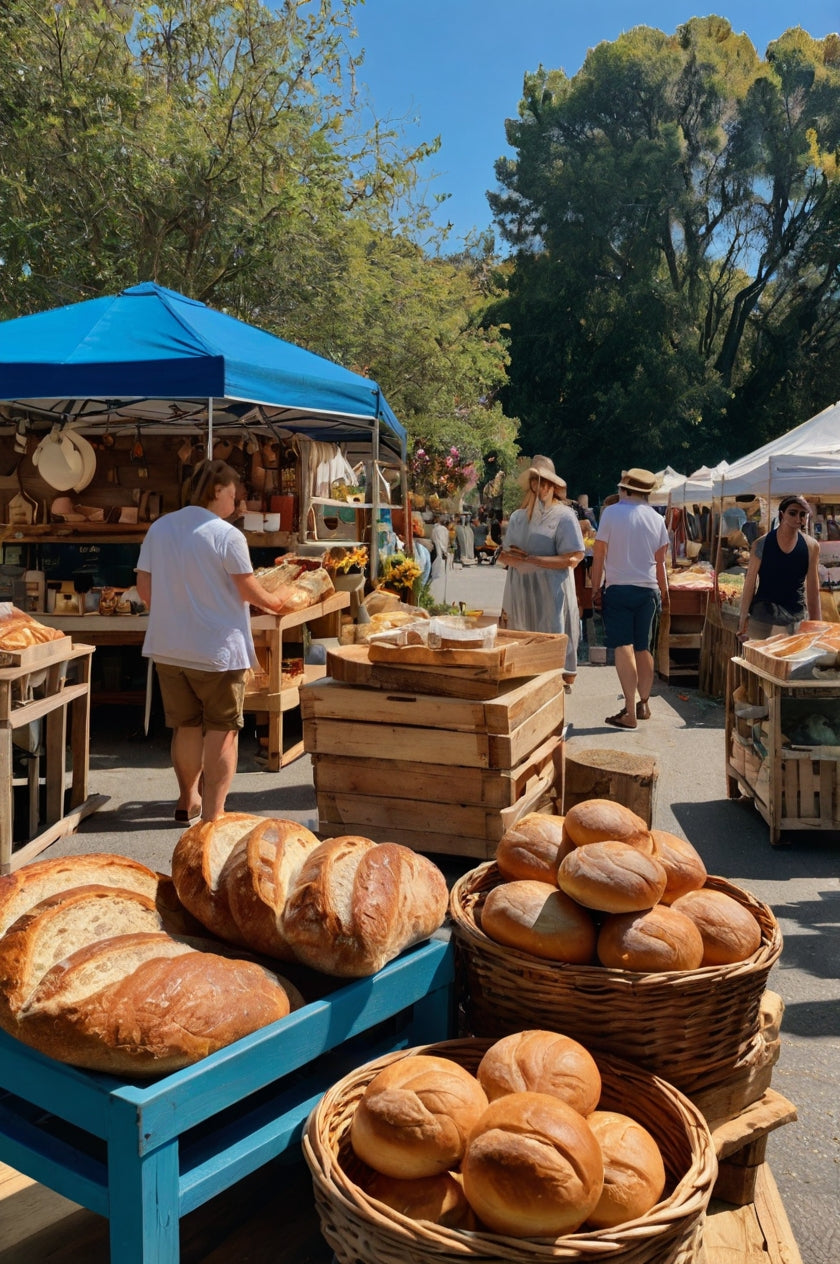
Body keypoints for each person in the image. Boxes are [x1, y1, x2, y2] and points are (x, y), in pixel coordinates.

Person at [135, 459, 295, 824]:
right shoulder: (226, 535)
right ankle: (213, 815)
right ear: (217, 490)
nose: (237, 503)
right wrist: (277, 600)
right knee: (222, 732)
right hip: (217, 651)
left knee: (186, 727)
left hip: (168, 647)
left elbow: (145, 590)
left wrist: (178, 611)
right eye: (234, 494)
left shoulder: (160, 528)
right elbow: (248, 588)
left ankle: (186, 800)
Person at [589, 467, 669, 730]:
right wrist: (664, 592)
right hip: (648, 591)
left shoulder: (611, 513)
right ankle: (643, 703)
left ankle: (629, 710)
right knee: (643, 647)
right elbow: (661, 564)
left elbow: (599, 554)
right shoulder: (657, 519)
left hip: (619, 587)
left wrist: (595, 588)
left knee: (623, 646)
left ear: (625, 490)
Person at [498, 455, 584, 691]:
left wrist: (539, 561)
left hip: (552, 585)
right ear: (532, 484)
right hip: (522, 584)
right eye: (538, 481)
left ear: (554, 486)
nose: (543, 487)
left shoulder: (564, 516)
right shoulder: (518, 517)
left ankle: (557, 674)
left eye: (548, 482)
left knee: (551, 627)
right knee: (523, 626)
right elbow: (506, 553)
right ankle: (524, 672)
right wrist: (513, 559)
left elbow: (575, 556)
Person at [736, 495, 821, 643]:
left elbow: (813, 590)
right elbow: (749, 584)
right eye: (793, 513)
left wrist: (817, 625)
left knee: (791, 660)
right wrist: (743, 619)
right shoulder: (761, 544)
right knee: (760, 661)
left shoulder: (811, 546)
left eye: (802, 514)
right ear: (782, 514)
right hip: (763, 614)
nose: (798, 518)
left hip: (795, 615)